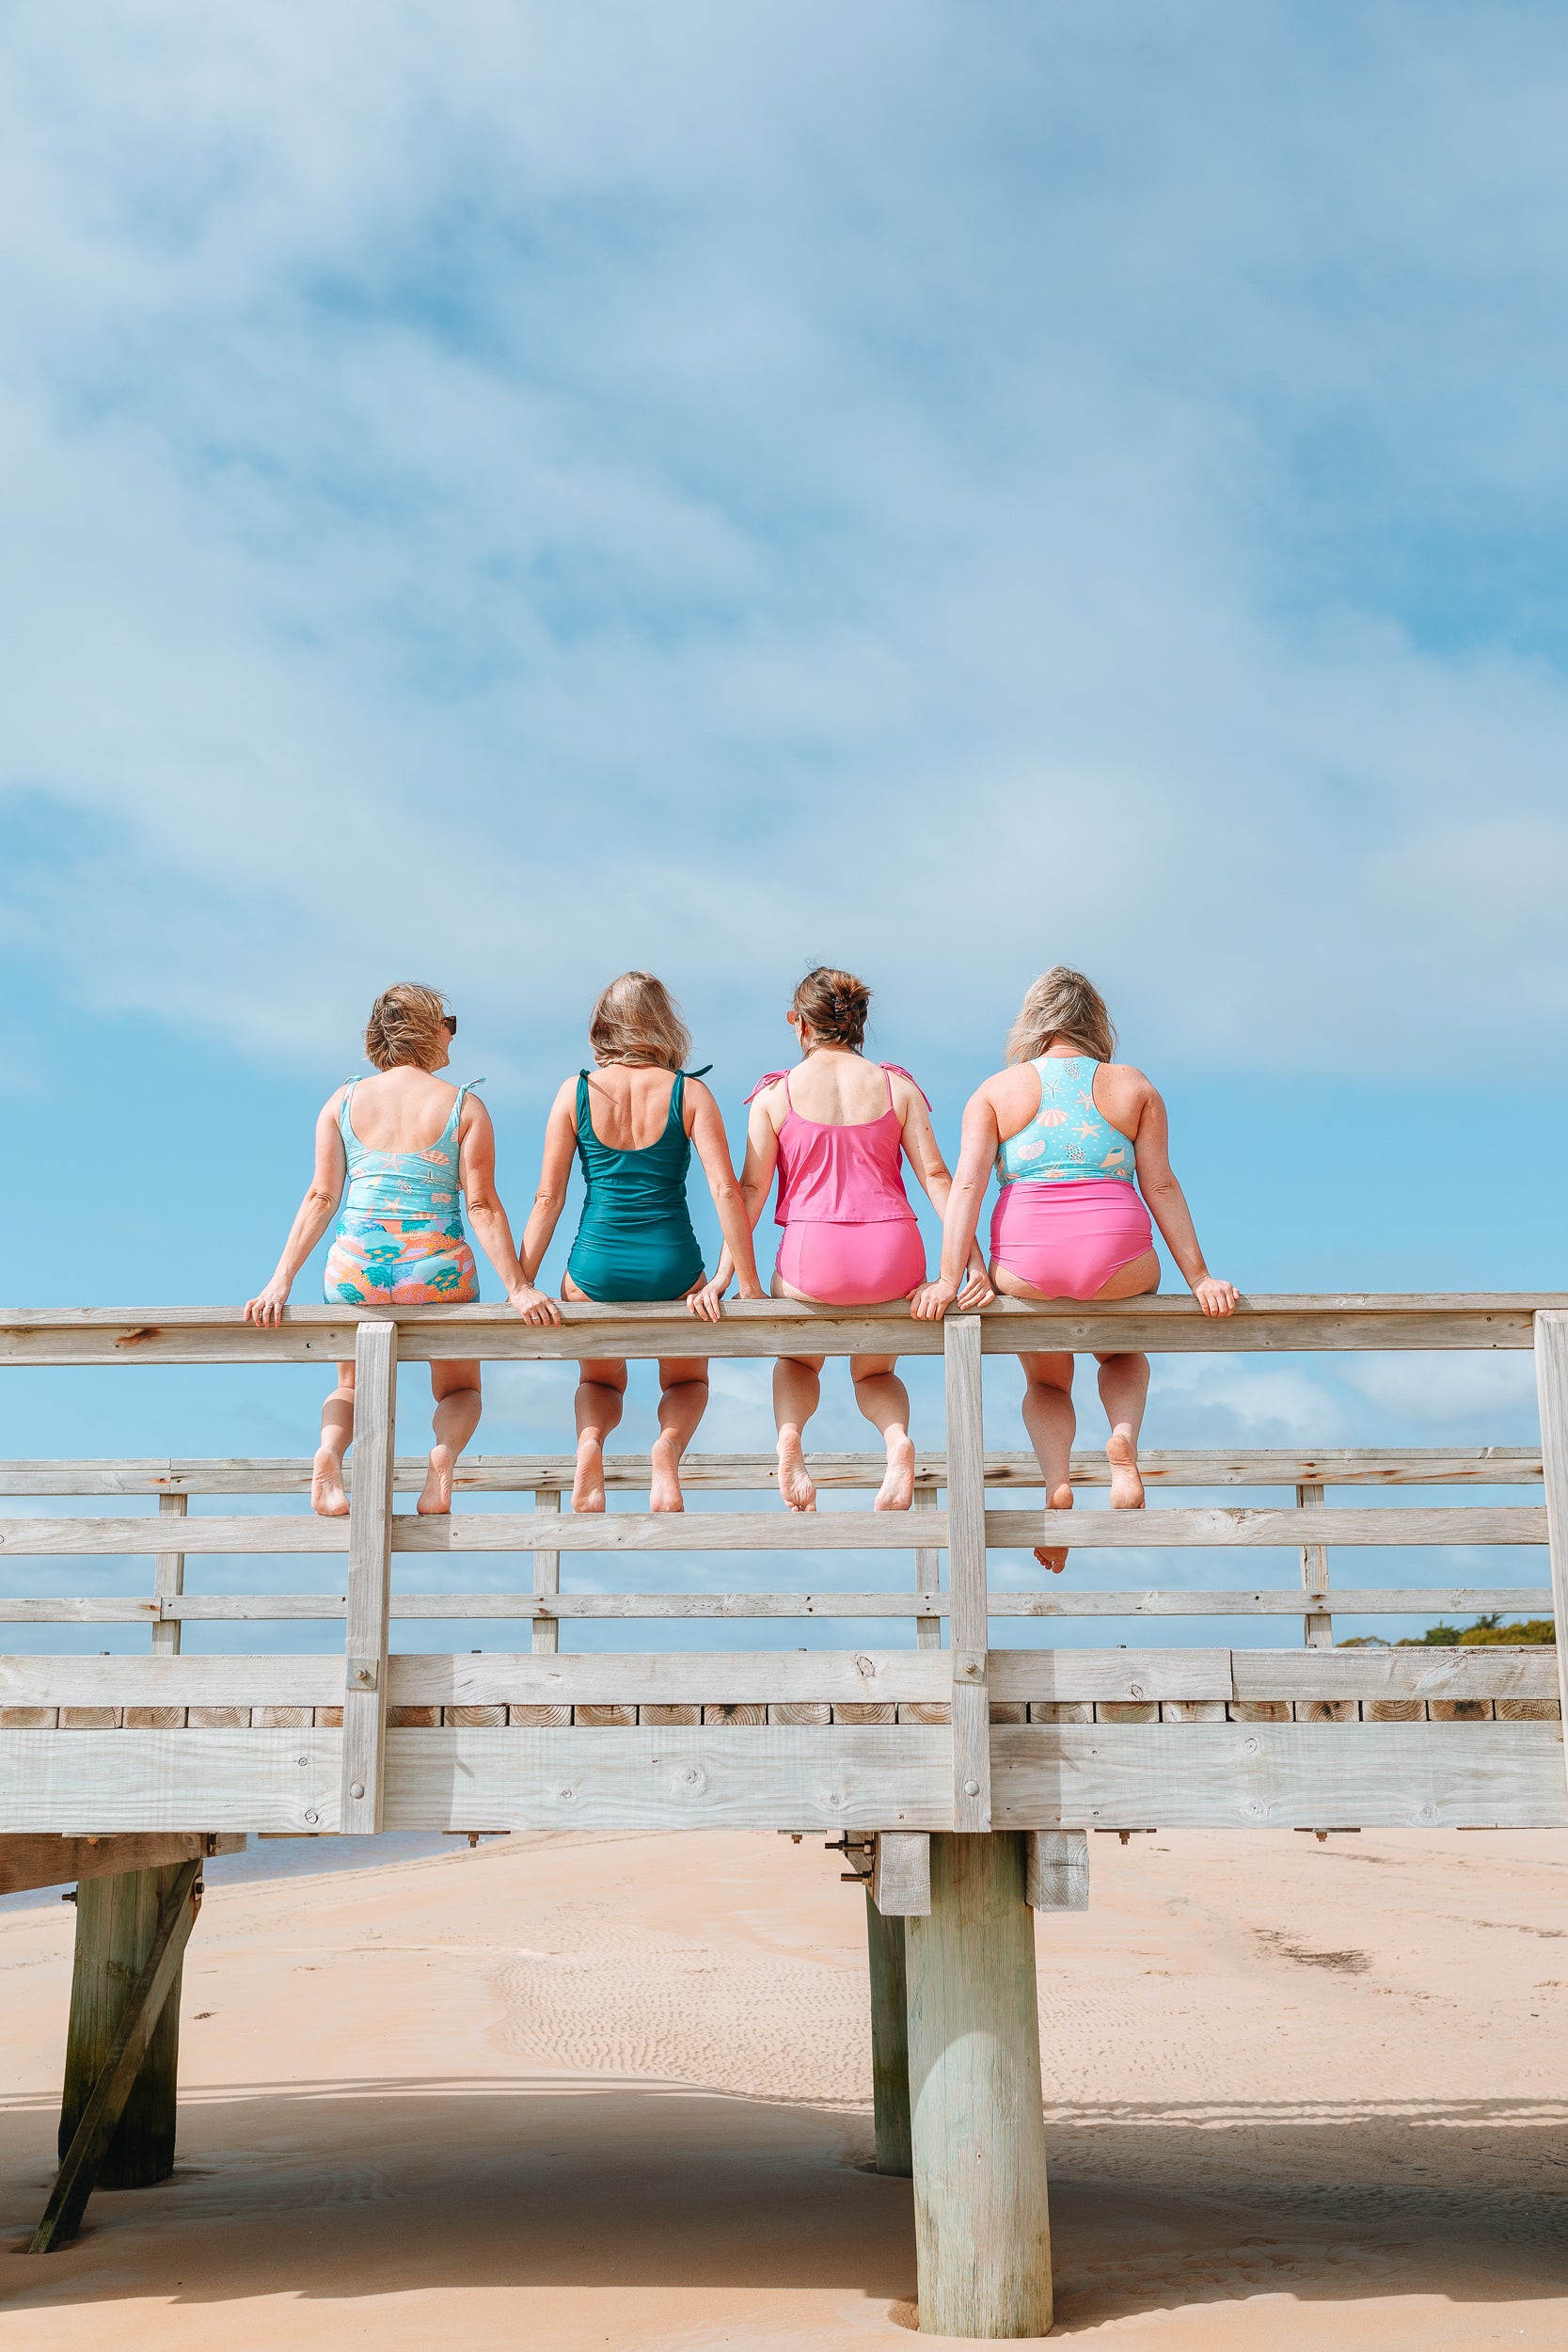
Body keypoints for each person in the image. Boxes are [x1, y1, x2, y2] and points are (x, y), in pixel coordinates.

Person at [911, 966, 1236, 1569]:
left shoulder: (996, 1090)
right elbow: (1160, 1184)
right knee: (1119, 1353)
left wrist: (948, 1279)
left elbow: (965, 1189)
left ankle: (1057, 1484)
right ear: (1096, 1025)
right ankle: (1123, 1445)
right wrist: (1201, 1278)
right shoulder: (1133, 1085)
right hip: (1119, 1254)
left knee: (1046, 1382)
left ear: (1033, 1025)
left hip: (1029, 1262)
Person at [245, 983, 559, 1518]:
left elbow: (322, 1195)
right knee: (459, 1390)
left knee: (349, 1383)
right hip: (435, 1272)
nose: (452, 1034)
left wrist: (279, 1281)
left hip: (357, 1269)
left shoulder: (342, 1102)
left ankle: (328, 1455)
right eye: (448, 1023)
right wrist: (519, 1288)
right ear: (429, 1029)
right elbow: (482, 1206)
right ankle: (440, 1463)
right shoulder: (464, 1105)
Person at [696, 967, 991, 1513]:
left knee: (801, 1362)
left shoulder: (774, 1095)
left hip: (816, 1257)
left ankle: (790, 1440)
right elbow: (938, 1179)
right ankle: (897, 1441)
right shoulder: (897, 1086)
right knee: (875, 1370)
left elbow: (749, 1191)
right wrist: (973, 1266)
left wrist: (726, 1275)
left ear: (798, 1023)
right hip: (893, 1255)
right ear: (857, 1022)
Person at [519, 972, 763, 1514]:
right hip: (672, 1266)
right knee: (687, 1380)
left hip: (593, 1268)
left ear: (602, 1024)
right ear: (664, 1023)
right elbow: (725, 1187)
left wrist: (520, 1283)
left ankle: (590, 1446)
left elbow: (546, 1197)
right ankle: (667, 1452)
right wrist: (745, 1281)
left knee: (601, 1382)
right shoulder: (689, 1091)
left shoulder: (576, 1090)